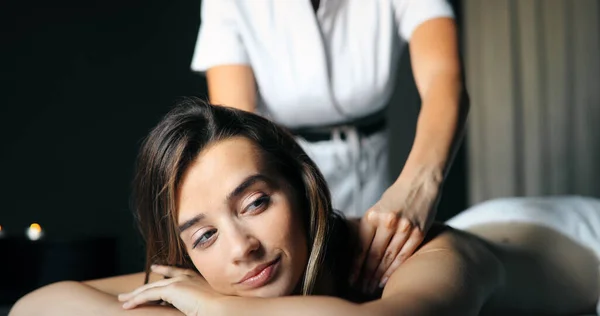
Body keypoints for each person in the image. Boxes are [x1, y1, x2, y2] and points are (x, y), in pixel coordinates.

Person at [10, 100, 598, 316]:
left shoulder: (421, 255)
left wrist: (217, 308)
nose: (241, 247)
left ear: (303, 187)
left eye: (256, 202)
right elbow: (37, 307)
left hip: (572, 234)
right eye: (204, 236)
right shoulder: (210, 273)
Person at [192, 0, 470, 284]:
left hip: (378, 177)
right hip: (283, 187)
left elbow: (443, 80)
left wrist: (418, 188)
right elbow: (236, 133)